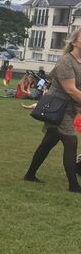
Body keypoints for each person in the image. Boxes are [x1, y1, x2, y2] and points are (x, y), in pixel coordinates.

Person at [24, 27, 81, 193]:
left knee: (48, 142)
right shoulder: (65, 61)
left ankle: (30, 175)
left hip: (69, 108)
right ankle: (74, 186)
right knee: (71, 141)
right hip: (58, 108)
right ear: (75, 41)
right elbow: (70, 89)